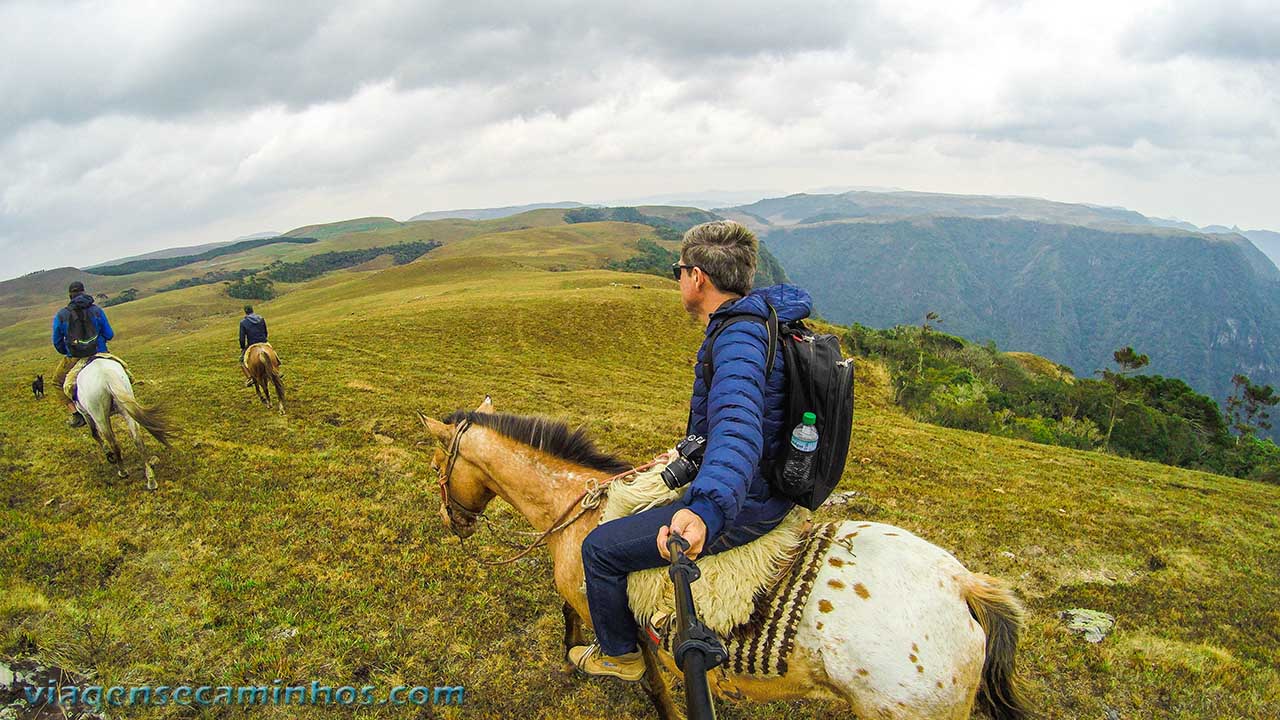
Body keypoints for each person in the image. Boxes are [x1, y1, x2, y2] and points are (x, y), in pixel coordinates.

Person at [570, 221, 813, 680]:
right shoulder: (757, 319)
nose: (678, 279)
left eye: (679, 270)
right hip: (757, 480)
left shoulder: (739, 338)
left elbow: (738, 430)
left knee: (600, 548)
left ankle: (619, 656)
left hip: (748, 501)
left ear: (698, 277)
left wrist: (707, 509)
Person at [51, 281, 115, 427]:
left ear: (70, 295)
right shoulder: (97, 310)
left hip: (75, 356)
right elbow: (109, 334)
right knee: (123, 370)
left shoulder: (62, 315)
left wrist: (67, 351)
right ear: (84, 292)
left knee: (56, 382)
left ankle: (76, 415)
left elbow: (57, 341)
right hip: (100, 352)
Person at [238, 305, 269, 386]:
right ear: (252, 310)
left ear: (245, 311)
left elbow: (242, 338)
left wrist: (243, 347)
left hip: (252, 343)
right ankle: (276, 370)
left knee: (241, 360)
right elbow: (266, 332)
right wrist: (264, 339)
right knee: (272, 352)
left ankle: (250, 378)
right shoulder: (261, 319)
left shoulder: (243, 323)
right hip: (263, 342)